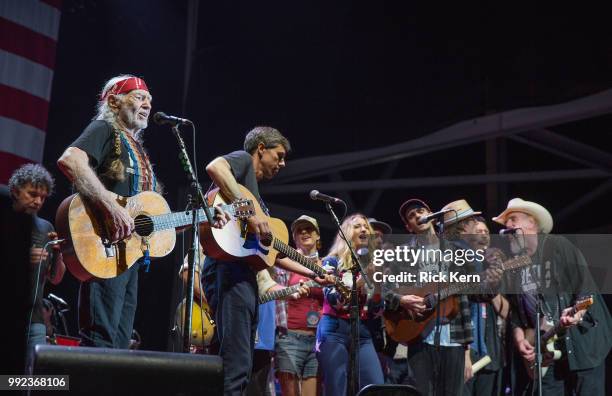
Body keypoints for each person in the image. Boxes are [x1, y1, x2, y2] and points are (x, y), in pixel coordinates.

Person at [57, 75, 227, 348]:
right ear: (114, 101)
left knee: (121, 342)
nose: (147, 104)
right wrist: (112, 207)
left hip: (129, 256)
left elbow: (153, 223)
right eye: (139, 97)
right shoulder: (105, 129)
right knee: (101, 339)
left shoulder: (135, 147)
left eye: (149, 99)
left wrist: (203, 217)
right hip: (105, 246)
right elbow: (71, 160)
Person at [203, 127, 332, 395]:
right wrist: (250, 213)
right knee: (236, 363)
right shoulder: (242, 162)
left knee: (242, 362)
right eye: (279, 155)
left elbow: (275, 254)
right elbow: (215, 166)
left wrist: (313, 272)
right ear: (261, 148)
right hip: (228, 270)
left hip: (244, 275)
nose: (282, 164)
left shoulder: (257, 198)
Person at [493, 198, 612, 395]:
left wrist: (577, 314)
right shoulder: (514, 265)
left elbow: (585, 286)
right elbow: (515, 311)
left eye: (513, 219)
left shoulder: (557, 245)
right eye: (506, 223)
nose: (508, 227)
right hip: (546, 348)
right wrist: (520, 337)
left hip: (582, 344)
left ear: (532, 222)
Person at [316, 213, 385, 395]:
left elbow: (378, 309)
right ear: (346, 233)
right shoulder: (332, 261)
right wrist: (360, 283)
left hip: (362, 331)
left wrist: (376, 287)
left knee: (375, 386)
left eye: (365, 227)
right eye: (357, 226)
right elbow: (333, 299)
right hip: (334, 330)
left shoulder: (375, 264)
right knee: (337, 388)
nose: (363, 229)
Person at [8, 164, 65, 363]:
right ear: (15, 191)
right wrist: (20, 256)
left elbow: (55, 278)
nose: (38, 201)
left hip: (35, 322)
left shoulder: (45, 227)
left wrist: (58, 255)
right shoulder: (5, 223)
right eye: (32, 194)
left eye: (43, 197)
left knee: (29, 381)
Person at [275, 215, 325, 396]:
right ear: (294, 237)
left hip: (317, 341)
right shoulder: (285, 264)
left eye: (309, 229)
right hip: (290, 338)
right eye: (299, 230)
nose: (304, 232)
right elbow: (274, 290)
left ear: (318, 235)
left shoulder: (328, 266)